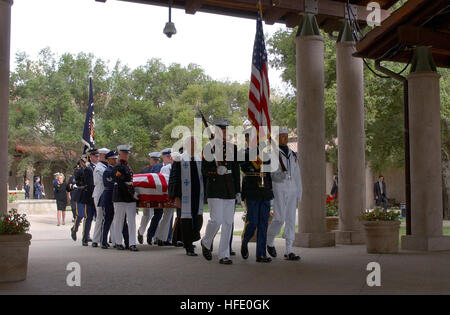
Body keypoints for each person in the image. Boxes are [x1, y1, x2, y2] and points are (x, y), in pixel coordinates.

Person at [201, 119, 241, 265]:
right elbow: (204, 170)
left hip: (229, 189)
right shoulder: (208, 148)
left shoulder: (232, 148)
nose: (224, 132)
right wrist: (215, 171)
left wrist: (238, 191)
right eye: (221, 130)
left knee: (228, 223)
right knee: (216, 220)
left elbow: (236, 171)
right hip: (215, 189)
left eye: (226, 130)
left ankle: (224, 254)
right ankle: (206, 241)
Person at [266, 129, 302, 261]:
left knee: (291, 220)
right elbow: (270, 174)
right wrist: (279, 175)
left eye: (286, 136)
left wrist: (299, 191)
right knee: (279, 219)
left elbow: (298, 175)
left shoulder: (293, 155)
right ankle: (269, 241)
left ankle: (289, 250)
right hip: (279, 188)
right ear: (277, 138)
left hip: (292, 189)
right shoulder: (272, 154)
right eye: (282, 136)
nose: (285, 138)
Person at [169, 137, 204, 256]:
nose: (194, 145)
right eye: (191, 143)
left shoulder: (200, 158)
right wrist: (176, 197)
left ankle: (190, 240)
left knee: (198, 220)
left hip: (197, 195)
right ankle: (188, 247)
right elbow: (174, 179)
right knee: (186, 220)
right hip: (184, 195)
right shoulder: (179, 159)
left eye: (195, 142)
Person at [100, 150, 129, 249]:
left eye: (116, 158)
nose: (115, 160)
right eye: (113, 159)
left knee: (122, 220)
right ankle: (103, 241)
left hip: (119, 196)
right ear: (108, 160)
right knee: (108, 219)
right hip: (109, 197)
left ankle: (127, 241)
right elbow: (109, 184)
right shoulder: (107, 171)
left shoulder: (119, 169)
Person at [112, 145, 139, 251]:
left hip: (129, 197)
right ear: (120, 154)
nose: (127, 155)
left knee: (132, 221)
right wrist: (132, 193)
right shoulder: (117, 167)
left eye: (128, 153)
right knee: (119, 220)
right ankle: (118, 242)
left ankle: (132, 243)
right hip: (120, 196)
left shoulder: (127, 166)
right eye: (125, 153)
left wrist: (133, 193)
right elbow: (120, 183)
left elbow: (130, 181)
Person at [137, 151, 161, 245]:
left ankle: (152, 236)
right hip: (147, 196)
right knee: (147, 215)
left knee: (158, 215)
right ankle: (141, 232)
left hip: (157, 196)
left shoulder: (161, 169)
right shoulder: (145, 170)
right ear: (150, 160)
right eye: (153, 160)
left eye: (157, 160)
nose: (155, 162)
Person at [154, 148, 176, 246]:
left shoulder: (173, 167)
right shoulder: (166, 168)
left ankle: (162, 238)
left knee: (168, 216)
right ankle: (159, 237)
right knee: (166, 216)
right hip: (167, 194)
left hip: (172, 194)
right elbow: (164, 182)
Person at [91, 148, 110, 248]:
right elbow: (99, 182)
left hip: (105, 194)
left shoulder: (106, 166)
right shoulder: (99, 168)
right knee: (100, 217)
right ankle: (96, 239)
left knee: (105, 217)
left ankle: (103, 239)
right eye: (105, 155)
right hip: (100, 194)